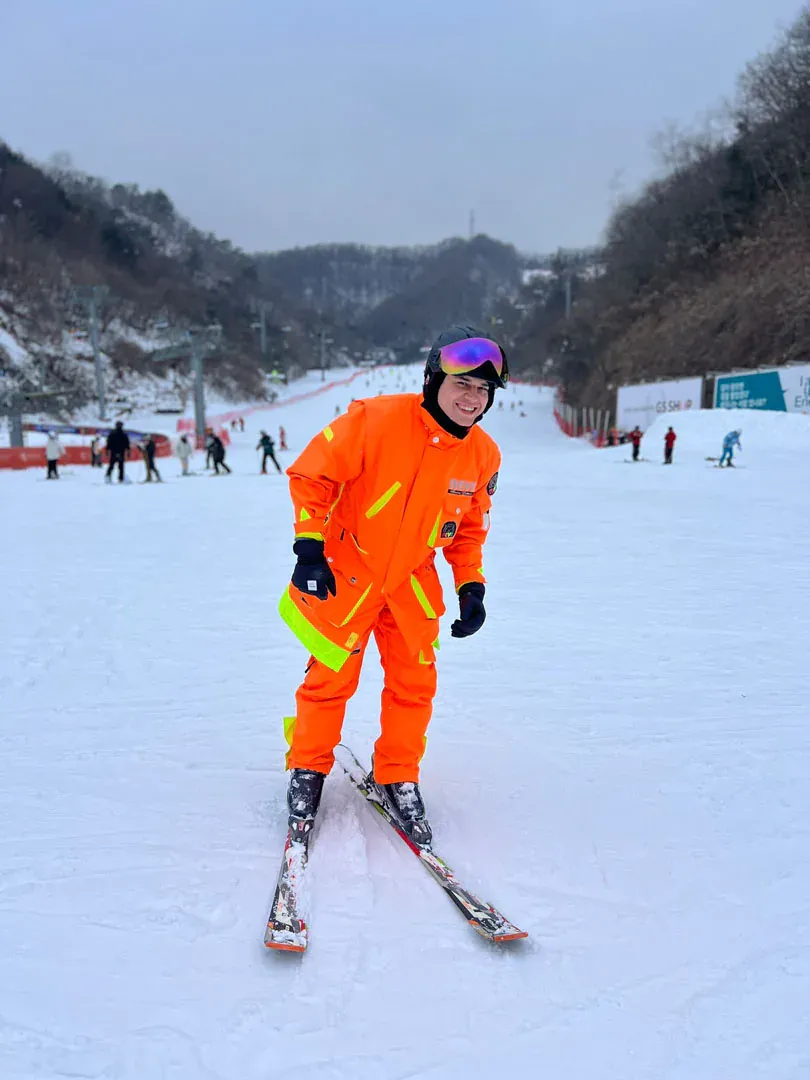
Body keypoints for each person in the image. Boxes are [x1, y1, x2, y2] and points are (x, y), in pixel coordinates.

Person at [279, 325, 507, 848]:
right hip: (346, 574)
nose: (472, 399)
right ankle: (307, 771)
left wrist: (471, 586)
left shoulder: (482, 455)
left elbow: (468, 528)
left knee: (414, 687)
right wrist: (308, 547)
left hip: (411, 584)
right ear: (433, 380)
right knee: (328, 682)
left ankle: (397, 775)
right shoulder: (375, 420)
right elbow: (312, 475)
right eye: (463, 384)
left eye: (483, 390)